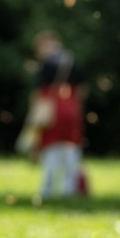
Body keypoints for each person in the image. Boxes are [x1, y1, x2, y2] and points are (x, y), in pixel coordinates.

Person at [29, 30, 86, 200]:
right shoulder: (72, 61)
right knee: (71, 151)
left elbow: (38, 92)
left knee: (50, 151)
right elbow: (82, 90)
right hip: (71, 111)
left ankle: (48, 190)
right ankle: (69, 190)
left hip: (51, 112)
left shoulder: (46, 64)